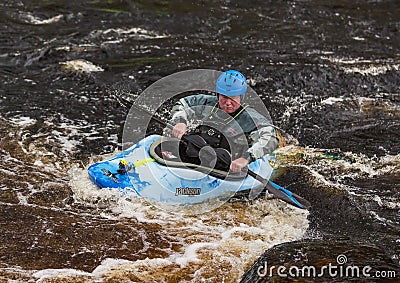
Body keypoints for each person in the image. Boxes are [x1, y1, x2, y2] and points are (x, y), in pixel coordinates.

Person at [169, 70, 279, 173]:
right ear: (218, 95)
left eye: (233, 98)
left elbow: (270, 138)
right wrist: (180, 122)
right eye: (224, 97)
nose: (227, 103)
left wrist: (247, 158)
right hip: (200, 152)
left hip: (227, 162)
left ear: (241, 97)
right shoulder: (207, 102)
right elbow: (183, 103)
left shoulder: (250, 118)